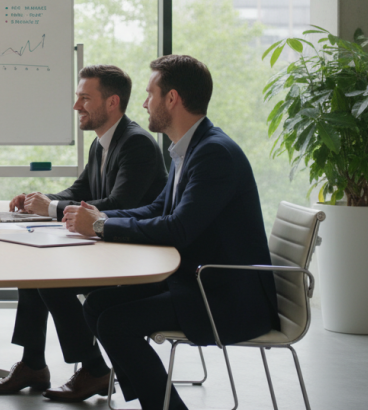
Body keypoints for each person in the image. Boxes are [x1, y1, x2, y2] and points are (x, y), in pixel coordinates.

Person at [64, 55, 279, 410]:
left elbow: (178, 228)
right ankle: (157, 401)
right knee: (99, 305)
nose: (145, 102)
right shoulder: (190, 148)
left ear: (172, 99)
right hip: (196, 281)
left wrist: (101, 226)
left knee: (115, 323)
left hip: (223, 295)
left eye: (150, 93)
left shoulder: (213, 154)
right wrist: (100, 218)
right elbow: (157, 210)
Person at [0, 65, 167, 402]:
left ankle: (96, 370)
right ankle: (33, 364)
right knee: (32, 266)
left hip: (135, 258)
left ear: (112, 102)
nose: (76, 106)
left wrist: (52, 210)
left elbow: (118, 203)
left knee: (51, 281)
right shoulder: (102, 143)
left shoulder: (137, 144)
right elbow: (79, 190)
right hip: (107, 248)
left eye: (85, 98)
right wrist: (37, 201)